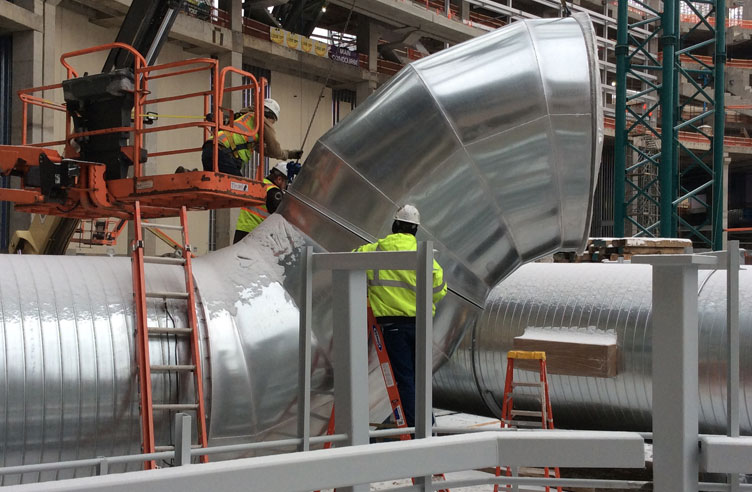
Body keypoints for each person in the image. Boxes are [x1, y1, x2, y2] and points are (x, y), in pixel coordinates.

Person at [354, 204, 448, 428]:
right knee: (419, 379)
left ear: (394, 225)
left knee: (404, 380)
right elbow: (440, 289)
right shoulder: (424, 255)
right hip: (421, 325)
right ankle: (428, 426)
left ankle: (418, 431)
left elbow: (352, 259)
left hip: (392, 327)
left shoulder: (376, 251)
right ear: (415, 230)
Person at [201, 98, 303, 176]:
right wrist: (287, 154)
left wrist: (290, 154)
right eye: (273, 121)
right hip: (222, 154)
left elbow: (263, 149)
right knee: (239, 190)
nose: (272, 124)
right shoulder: (261, 120)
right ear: (270, 116)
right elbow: (274, 149)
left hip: (209, 150)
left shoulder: (244, 119)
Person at [233, 161, 288, 243]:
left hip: (242, 230)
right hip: (255, 233)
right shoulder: (274, 192)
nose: (286, 187)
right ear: (279, 179)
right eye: (286, 183)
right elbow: (283, 215)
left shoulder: (260, 184)